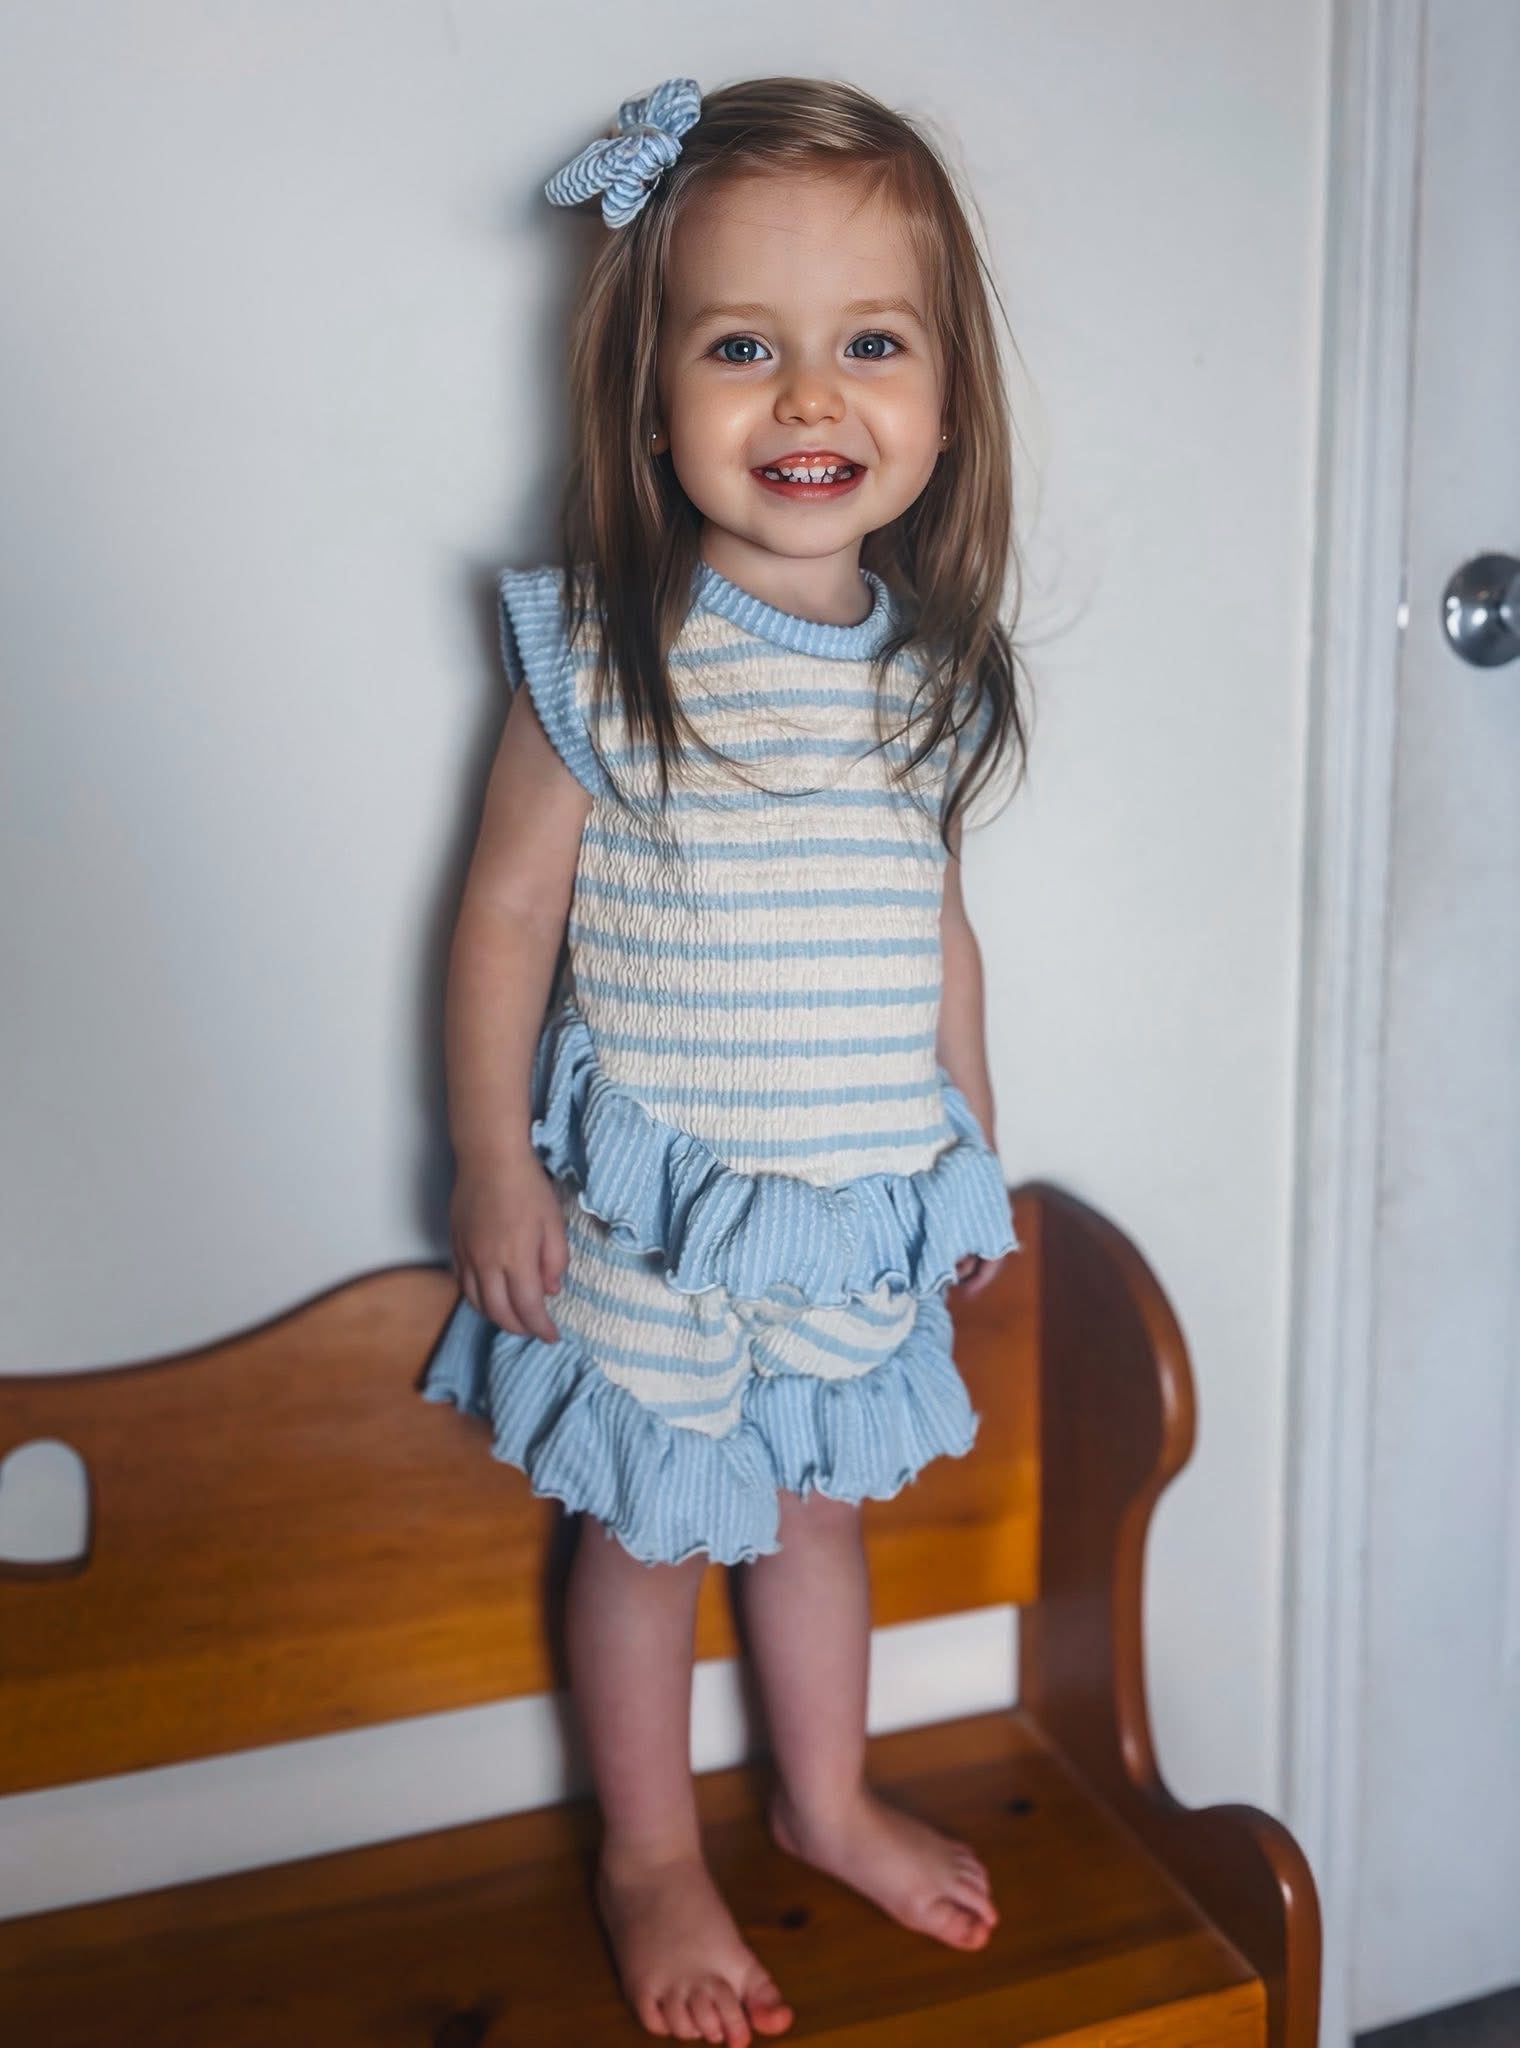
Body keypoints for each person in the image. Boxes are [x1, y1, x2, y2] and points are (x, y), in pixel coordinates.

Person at [420, 71, 1033, 2047]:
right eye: (743, 348)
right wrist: (491, 1161)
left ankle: (824, 1797)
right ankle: (646, 1851)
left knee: (820, 1514)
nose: (809, 398)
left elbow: (937, 926)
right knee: (643, 1533)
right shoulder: (611, 647)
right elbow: (504, 915)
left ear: (948, 398)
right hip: (653, 1220)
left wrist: (973, 1148)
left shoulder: (934, 675)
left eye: (872, 345)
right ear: (652, 391)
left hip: (850, 1211)